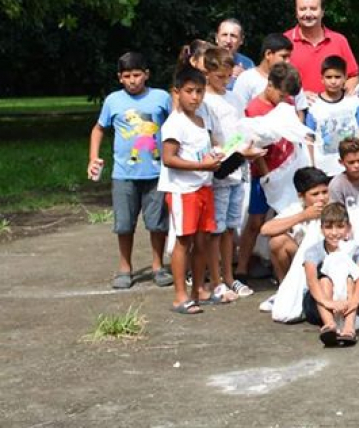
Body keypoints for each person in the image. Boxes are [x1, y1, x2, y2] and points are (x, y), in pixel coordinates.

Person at [88, 52, 173, 290]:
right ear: (119, 78)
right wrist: (93, 157)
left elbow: (176, 125)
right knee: (124, 224)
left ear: (146, 74)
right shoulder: (113, 101)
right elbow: (98, 129)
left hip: (157, 173)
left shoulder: (161, 98)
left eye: (137, 75)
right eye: (127, 76)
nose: (133, 80)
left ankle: (158, 265)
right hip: (124, 174)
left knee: (157, 223)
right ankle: (125, 267)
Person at [159, 66, 222, 314]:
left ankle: (199, 290)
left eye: (199, 91)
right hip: (182, 190)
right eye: (189, 91)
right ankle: (180, 295)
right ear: (177, 92)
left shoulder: (201, 120)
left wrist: (215, 158)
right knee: (183, 241)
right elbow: (168, 158)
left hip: (203, 186)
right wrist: (201, 164)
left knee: (202, 241)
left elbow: (202, 152)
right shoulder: (174, 124)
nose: (195, 97)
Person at [237, 61, 303, 281]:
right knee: (256, 221)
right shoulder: (255, 109)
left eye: (288, 97)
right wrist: (267, 176)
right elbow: (255, 144)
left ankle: (280, 269)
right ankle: (242, 267)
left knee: (284, 219)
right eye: (282, 95)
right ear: (270, 84)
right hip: (264, 173)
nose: (285, 100)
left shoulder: (287, 102)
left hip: (287, 169)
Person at [200, 47, 255, 301]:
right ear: (208, 73)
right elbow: (209, 136)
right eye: (220, 77)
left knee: (231, 226)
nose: (225, 81)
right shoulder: (205, 102)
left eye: (228, 77)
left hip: (239, 167)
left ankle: (229, 277)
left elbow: (242, 128)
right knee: (217, 228)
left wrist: (247, 147)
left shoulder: (234, 99)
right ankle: (216, 279)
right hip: (219, 170)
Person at [302, 203, 359, 346]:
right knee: (325, 280)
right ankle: (330, 325)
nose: (334, 232)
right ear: (322, 229)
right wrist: (328, 303)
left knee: (350, 278)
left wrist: (354, 301)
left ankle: (349, 328)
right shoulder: (313, 251)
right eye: (329, 227)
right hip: (318, 302)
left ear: (348, 228)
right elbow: (312, 281)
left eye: (339, 226)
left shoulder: (357, 250)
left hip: (346, 302)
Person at [284, 0, 359, 98]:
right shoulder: (284, 42)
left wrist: (344, 96)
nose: (308, 14)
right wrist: (299, 97)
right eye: (303, 9)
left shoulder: (339, 41)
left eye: (313, 9)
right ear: (296, 12)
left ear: (323, 11)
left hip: (333, 111)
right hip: (296, 112)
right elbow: (273, 81)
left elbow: (352, 75)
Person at [260, 166, 332, 283]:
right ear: (301, 196)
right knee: (277, 241)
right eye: (315, 194)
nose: (322, 198)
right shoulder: (296, 208)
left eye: (325, 192)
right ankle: (285, 286)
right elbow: (265, 229)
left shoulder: (334, 206)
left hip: (328, 261)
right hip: (302, 261)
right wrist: (303, 216)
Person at [305, 55, 359, 175]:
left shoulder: (354, 102)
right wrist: (311, 164)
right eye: (329, 77)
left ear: (345, 78)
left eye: (337, 77)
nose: (333, 81)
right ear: (322, 79)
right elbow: (309, 137)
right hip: (324, 169)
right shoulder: (313, 106)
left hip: (352, 167)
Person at [229, 33, 298, 115]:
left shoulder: (290, 78)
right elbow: (239, 111)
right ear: (268, 54)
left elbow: (299, 111)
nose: (287, 61)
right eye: (284, 57)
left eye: (289, 57)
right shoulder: (247, 78)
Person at [215, 18, 256, 83]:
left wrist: (246, 77)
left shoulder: (248, 64)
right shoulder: (204, 60)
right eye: (224, 35)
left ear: (241, 40)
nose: (228, 40)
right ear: (216, 38)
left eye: (233, 36)